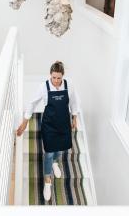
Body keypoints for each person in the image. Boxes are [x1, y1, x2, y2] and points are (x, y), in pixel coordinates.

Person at [16, 61, 79, 201]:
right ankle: (47, 182)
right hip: (49, 126)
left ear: (63, 76)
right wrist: (25, 121)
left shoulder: (69, 86)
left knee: (60, 150)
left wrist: (74, 117)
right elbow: (32, 103)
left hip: (63, 125)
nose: (56, 81)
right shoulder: (43, 87)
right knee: (49, 153)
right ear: (50, 75)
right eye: (54, 77)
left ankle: (56, 163)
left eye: (59, 78)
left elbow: (74, 102)